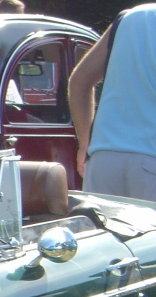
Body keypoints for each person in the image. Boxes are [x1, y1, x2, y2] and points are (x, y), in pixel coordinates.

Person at [69, 5, 156, 202]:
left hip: (103, 159)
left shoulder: (130, 17)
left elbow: (79, 82)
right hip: (151, 159)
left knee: (99, 233)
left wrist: (85, 144)